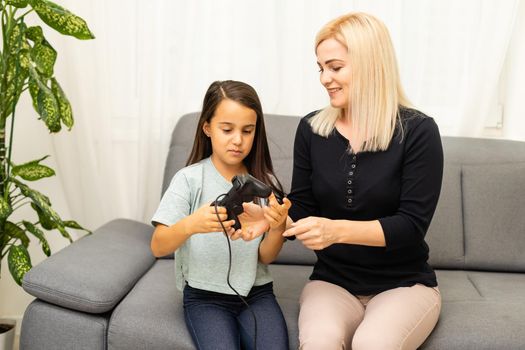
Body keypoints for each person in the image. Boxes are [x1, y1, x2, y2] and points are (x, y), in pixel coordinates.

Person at [281, 12, 444, 350]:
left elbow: (410, 226)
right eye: (320, 68)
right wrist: (273, 217)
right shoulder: (312, 129)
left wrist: (335, 230)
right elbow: (302, 207)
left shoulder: (418, 131)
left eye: (335, 67)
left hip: (403, 285)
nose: (325, 78)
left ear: (370, 64)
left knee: (374, 343)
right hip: (333, 283)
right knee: (319, 342)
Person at [150, 80, 291, 350]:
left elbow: (265, 257)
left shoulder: (263, 182)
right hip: (205, 298)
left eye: (247, 131)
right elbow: (158, 245)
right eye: (227, 129)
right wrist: (192, 224)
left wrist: (277, 226)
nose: (238, 140)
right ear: (207, 128)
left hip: (257, 293)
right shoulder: (189, 179)